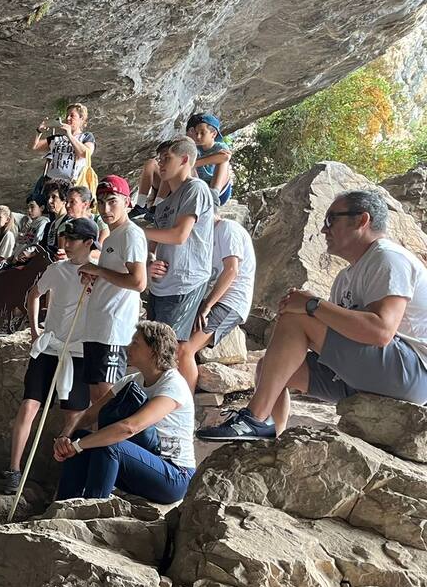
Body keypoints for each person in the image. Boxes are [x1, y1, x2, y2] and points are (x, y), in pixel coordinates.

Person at [199, 190, 427, 440]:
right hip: (374, 372)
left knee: (299, 318)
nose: (323, 230)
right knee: (270, 368)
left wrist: (311, 305)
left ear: (362, 220)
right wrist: (300, 313)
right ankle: (273, 435)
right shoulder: (345, 278)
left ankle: (253, 418)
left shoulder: (388, 257)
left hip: (411, 373)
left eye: (331, 219)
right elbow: (336, 334)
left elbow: (381, 331)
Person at [55, 320, 196, 504]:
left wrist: (78, 446)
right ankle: (63, 507)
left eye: (136, 343)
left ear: (155, 349)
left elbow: (129, 428)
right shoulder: (131, 381)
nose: (129, 346)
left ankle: (90, 512)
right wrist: (65, 438)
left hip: (175, 475)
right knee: (81, 436)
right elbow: (87, 415)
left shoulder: (173, 385)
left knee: (109, 444)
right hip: (143, 463)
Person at [3, 219, 95, 494]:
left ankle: (66, 482)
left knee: (75, 415)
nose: (66, 243)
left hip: (78, 351)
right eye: (65, 237)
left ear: (89, 242)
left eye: (73, 239)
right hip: (51, 346)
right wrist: (34, 330)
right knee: (30, 405)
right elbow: (33, 294)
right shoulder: (56, 269)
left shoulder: (101, 271)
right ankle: (14, 470)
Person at [78, 177, 149, 404]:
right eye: (100, 202)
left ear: (127, 202)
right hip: (98, 326)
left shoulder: (130, 233)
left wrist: (100, 272)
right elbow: (115, 276)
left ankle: (109, 440)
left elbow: (139, 282)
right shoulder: (113, 235)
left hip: (113, 328)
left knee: (107, 400)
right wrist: (96, 275)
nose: (105, 208)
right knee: (95, 398)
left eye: (112, 201)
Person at [142, 137, 217, 342]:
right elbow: (154, 245)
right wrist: (150, 259)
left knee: (165, 349)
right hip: (161, 284)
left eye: (166, 158)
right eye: (159, 159)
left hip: (185, 283)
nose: (161, 164)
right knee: (151, 346)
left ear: (184, 159)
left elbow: (179, 235)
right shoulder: (165, 204)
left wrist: (138, 231)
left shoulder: (196, 188)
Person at [175, 209, 256, 390]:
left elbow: (231, 270)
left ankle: (184, 410)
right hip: (211, 299)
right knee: (175, 345)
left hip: (231, 301)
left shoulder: (227, 228)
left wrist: (207, 306)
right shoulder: (204, 236)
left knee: (185, 350)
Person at [33, 103, 95, 187]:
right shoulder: (57, 138)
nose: (68, 118)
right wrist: (38, 131)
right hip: (53, 183)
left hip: (73, 184)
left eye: (72, 116)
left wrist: (69, 135)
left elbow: (85, 154)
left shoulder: (87, 137)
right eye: (67, 116)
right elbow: (34, 147)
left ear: (81, 119)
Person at [187, 113, 233, 204]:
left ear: (214, 134)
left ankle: (213, 194)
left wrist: (195, 163)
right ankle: (197, 193)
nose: (198, 136)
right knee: (187, 164)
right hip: (201, 188)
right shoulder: (194, 148)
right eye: (196, 133)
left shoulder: (220, 147)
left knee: (224, 162)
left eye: (202, 133)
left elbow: (225, 156)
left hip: (220, 192)